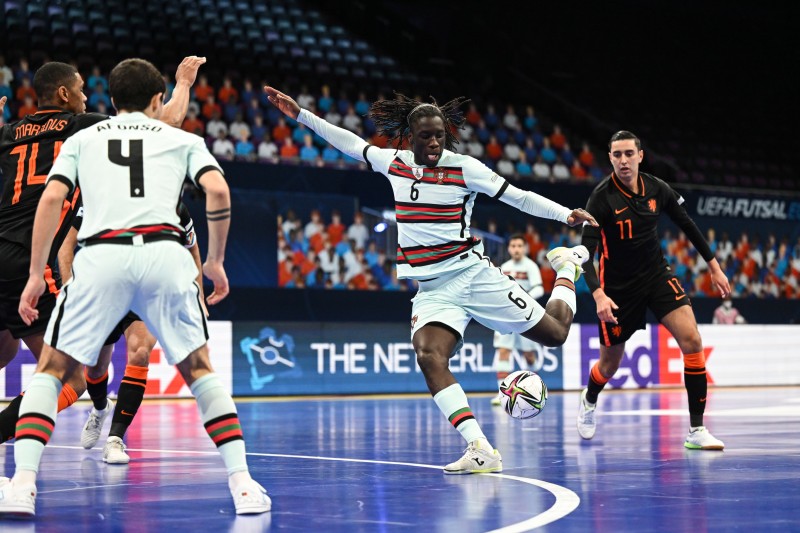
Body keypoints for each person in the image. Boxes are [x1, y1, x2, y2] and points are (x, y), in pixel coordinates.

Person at [265, 86, 597, 474]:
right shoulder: (395, 163)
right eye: (426, 135)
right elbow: (351, 144)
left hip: (472, 275)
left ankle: (567, 268)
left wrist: (565, 216)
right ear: (411, 137)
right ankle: (480, 447)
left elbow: (519, 197)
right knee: (429, 355)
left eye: (440, 134)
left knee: (556, 334)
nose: (434, 141)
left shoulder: (464, 168)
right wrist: (302, 115)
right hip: (433, 290)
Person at [0, 58, 269, 516]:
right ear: (156, 100)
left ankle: (22, 484)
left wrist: (33, 275)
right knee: (201, 371)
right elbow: (218, 193)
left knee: (52, 369)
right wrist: (217, 264)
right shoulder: (181, 137)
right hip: (165, 253)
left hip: (101, 255)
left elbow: (51, 197)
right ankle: (242, 485)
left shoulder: (83, 137)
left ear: (109, 99)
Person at [0, 57, 204, 442]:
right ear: (63, 93)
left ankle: (106, 423)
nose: (83, 94)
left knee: (4, 352)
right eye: (78, 88)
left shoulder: (11, 132)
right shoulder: (84, 127)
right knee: (70, 376)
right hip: (30, 255)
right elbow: (169, 121)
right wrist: (183, 83)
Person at [578, 130, 730, 450]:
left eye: (628, 154)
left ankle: (696, 430)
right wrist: (598, 294)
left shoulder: (657, 188)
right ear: (610, 159)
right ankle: (590, 398)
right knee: (609, 365)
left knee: (692, 340)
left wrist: (714, 267)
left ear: (640, 156)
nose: (623, 160)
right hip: (617, 289)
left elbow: (687, 224)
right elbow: (584, 256)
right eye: (617, 155)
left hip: (656, 276)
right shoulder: (600, 198)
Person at [68, 201, 206, 464]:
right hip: (106, 287)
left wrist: (198, 292)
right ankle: (99, 409)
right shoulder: (105, 191)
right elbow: (69, 241)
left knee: (141, 353)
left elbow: (192, 249)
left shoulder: (173, 203)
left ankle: (115, 439)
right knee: (95, 369)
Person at [491, 234, 544, 405]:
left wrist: (524, 300)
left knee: (528, 356)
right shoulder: (504, 268)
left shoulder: (531, 267)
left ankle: (535, 383)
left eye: (519, 246)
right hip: (505, 318)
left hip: (525, 318)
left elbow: (540, 289)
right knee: (503, 352)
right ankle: (502, 394)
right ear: (509, 248)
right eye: (513, 245)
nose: (516, 249)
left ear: (525, 248)